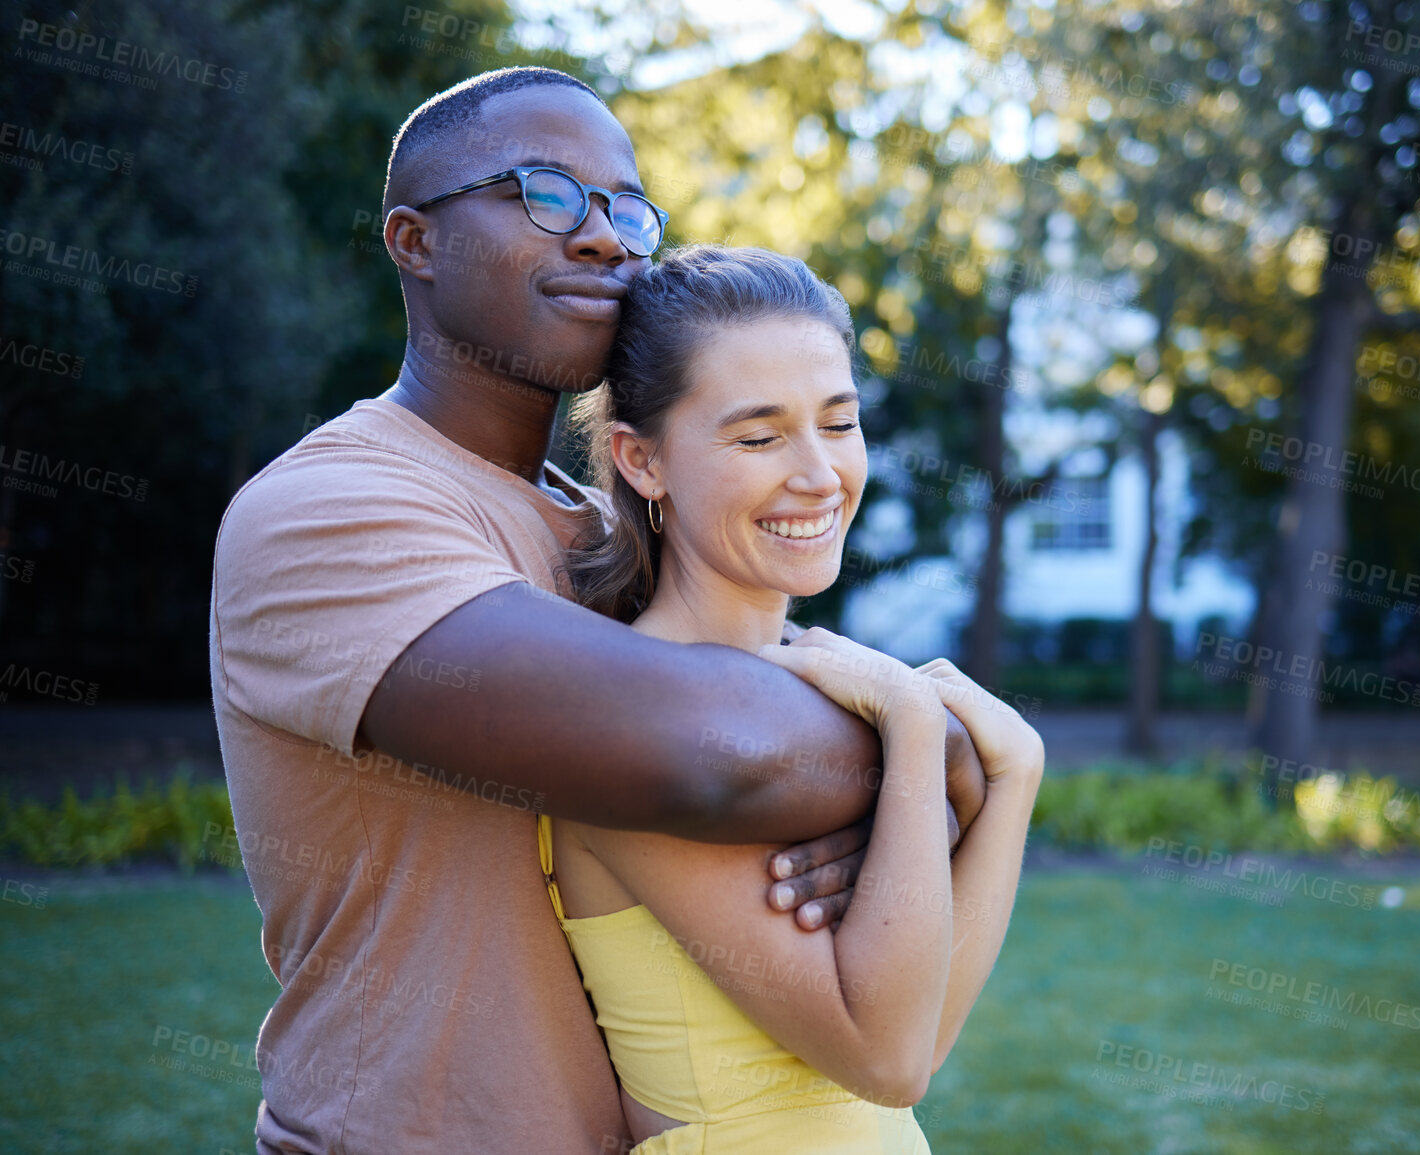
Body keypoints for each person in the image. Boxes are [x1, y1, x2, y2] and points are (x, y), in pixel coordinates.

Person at [208, 67, 985, 1154]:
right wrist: (936, 751)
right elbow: (706, 750)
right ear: (413, 240)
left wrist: (873, 779)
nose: (606, 238)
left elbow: (758, 720)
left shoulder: (596, 532)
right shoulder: (327, 511)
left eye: (626, 205)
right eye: (545, 192)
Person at [541, 245, 1044, 1153]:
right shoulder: (634, 722)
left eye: (838, 423)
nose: (818, 474)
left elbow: (921, 1040)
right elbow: (885, 1059)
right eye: (760, 436)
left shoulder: (808, 688)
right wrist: (914, 724)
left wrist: (1014, 774)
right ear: (641, 460)